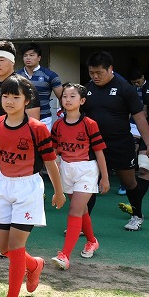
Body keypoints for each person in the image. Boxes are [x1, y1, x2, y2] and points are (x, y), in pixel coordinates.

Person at [0, 74, 65, 297]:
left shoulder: (37, 128)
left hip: (28, 188)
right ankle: (34, 265)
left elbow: (49, 161)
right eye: (5, 96)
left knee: (16, 247)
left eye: (15, 97)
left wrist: (58, 191)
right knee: (5, 247)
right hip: (3, 186)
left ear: (27, 100)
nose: (9, 101)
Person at [0, 41, 41, 259]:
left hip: (19, 153)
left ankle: (15, 233)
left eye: (1, 59)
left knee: (13, 194)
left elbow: (34, 120)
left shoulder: (26, 86)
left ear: (12, 62)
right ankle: (9, 221)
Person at [82, 51, 149, 231]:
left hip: (120, 143)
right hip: (93, 145)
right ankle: (83, 224)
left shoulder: (125, 88)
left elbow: (140, 118)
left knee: (129, 182)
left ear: (110, 69)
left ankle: (137, 215)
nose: (95, 77)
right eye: (91, 73)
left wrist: (148, 143)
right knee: (90, 182)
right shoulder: (87, 88)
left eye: (99, 73)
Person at [50, 83, 109, 270]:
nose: (67, 99)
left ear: (82, 100)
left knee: (75, 211)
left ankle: (64, 255)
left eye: (72, 96)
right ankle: (92, 241)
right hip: (66, 169)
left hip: (87, 170)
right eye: (64, 96)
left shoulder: (90, 124)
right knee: (81, 211)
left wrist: (105, 177)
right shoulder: (58, 124)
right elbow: (52, 152)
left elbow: (99, 152)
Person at [17, 42, 63, 131]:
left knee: (43, 144)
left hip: (44, 119)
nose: (28, 58)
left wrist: (64, 114)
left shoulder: (50, 75)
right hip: (21, 118)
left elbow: (62, 97)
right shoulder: (17, 76)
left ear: (39, 58)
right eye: (25, 55)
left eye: (31, 55)